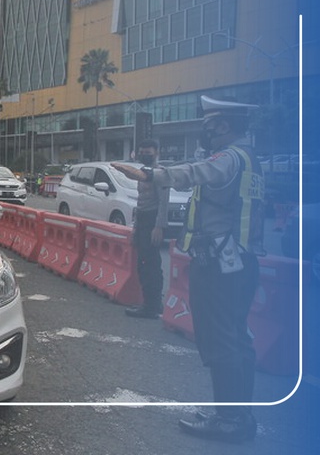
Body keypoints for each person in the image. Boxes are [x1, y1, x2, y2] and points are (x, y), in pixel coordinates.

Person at [113, 95, 264, 443]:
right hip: (240, 263)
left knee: (222, 342)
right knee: (237, 341)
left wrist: (152, 172)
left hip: (221, 266)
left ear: (223, 125)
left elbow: (196, 172)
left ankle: (230, 421)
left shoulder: (228, 158)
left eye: (209, 125)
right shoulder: (251, 158)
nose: (205, 132)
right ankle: (237, 415)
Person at [124, 139, 170, 319]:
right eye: (142, 152)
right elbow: (140, 201)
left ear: (157, 152)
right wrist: (135, 226)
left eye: (148, 152)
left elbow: (164, 202)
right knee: (143, 263)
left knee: (151, 264)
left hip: (153, 221)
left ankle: (152, 305)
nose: (145, 154)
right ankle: (149, 302)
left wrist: (159, 226)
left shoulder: (160, 174)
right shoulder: (142, 172)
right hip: (142, 220)